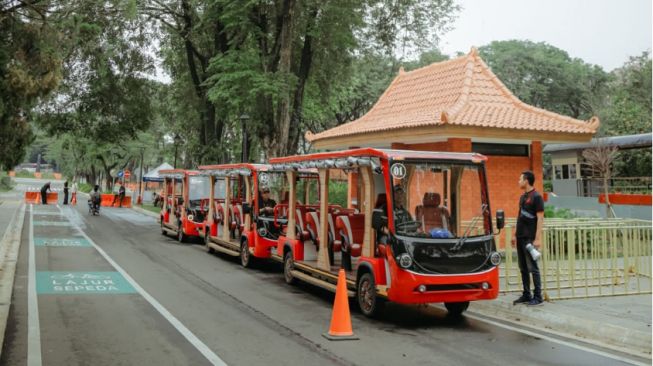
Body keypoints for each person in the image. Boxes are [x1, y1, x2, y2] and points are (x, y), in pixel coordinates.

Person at [512, 170, 545, 307]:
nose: (519, 182)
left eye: (520, 179)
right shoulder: (522, 197)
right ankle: (527, 294)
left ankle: (538, 296)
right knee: (523, 267)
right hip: (520, 237)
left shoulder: (537, 197)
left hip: (529, 238)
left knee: (533, 267)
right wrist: (515, 234)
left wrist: (537, 238)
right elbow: (519, 216)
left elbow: (540, 218)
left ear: (526, 181)